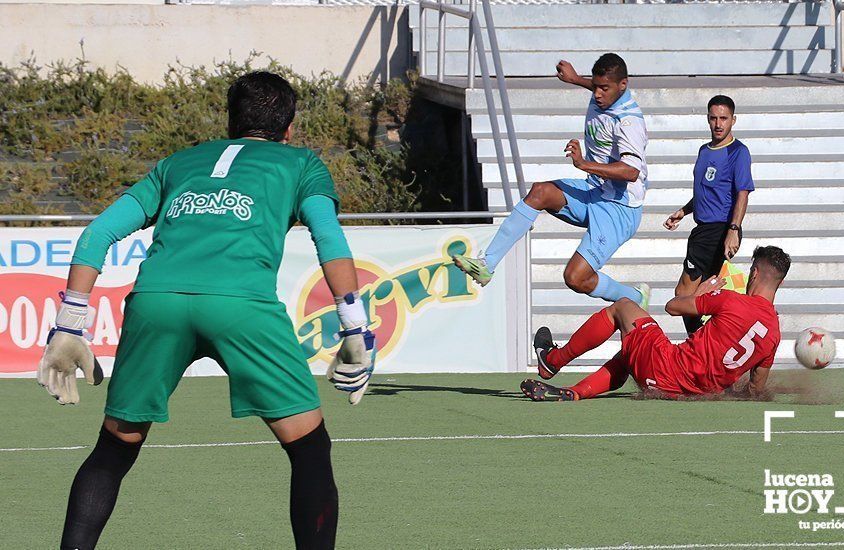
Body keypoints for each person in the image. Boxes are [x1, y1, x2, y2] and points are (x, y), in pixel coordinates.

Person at [36, 71, 375, 550]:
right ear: (290, 127)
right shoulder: (302, 163)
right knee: (310, 452)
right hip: (241, 306)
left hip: (157, 301)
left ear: (231, 119)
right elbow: (329, 238)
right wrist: (355, 327)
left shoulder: (179, 161)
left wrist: (70, 324)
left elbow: (97, 235)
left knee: (113, 450)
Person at [452, 53, 651, 323]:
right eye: (595, 86)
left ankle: (634, 296)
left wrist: (583, 164)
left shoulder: (629, 122)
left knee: (575, 278)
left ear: (623, 85)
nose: (598, 94)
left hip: (619, 209)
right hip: (594, 192)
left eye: (604, 88)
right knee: (540, 192)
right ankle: (487, 265)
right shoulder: (603, 93)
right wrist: (575, 79)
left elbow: (630, 171)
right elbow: (600, 86)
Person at [521, 245, 789, 401]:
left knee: (624, 308)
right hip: (688, 393)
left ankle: (552, 361)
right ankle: (575, 393)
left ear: (754, 273)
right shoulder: (774, 334)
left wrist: (702, 292)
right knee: (632, 348)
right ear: (781, 281)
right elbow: (756, 388)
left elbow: (673, 307)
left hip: (665, 368)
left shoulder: (731, 300)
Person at [663, 95, 754, 335]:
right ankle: (712, 346)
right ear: (707, 119)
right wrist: (683, 211)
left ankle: (700, 348)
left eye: (724, 118)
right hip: (703, 230)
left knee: (683, 296)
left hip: (718, 230)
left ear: (733, 120)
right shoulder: (704, 151)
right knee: (704, 295)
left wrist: (733, 231)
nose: (718, 124)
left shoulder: (738, 152)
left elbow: (742, 193)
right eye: (713, 118)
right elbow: (706, 192)